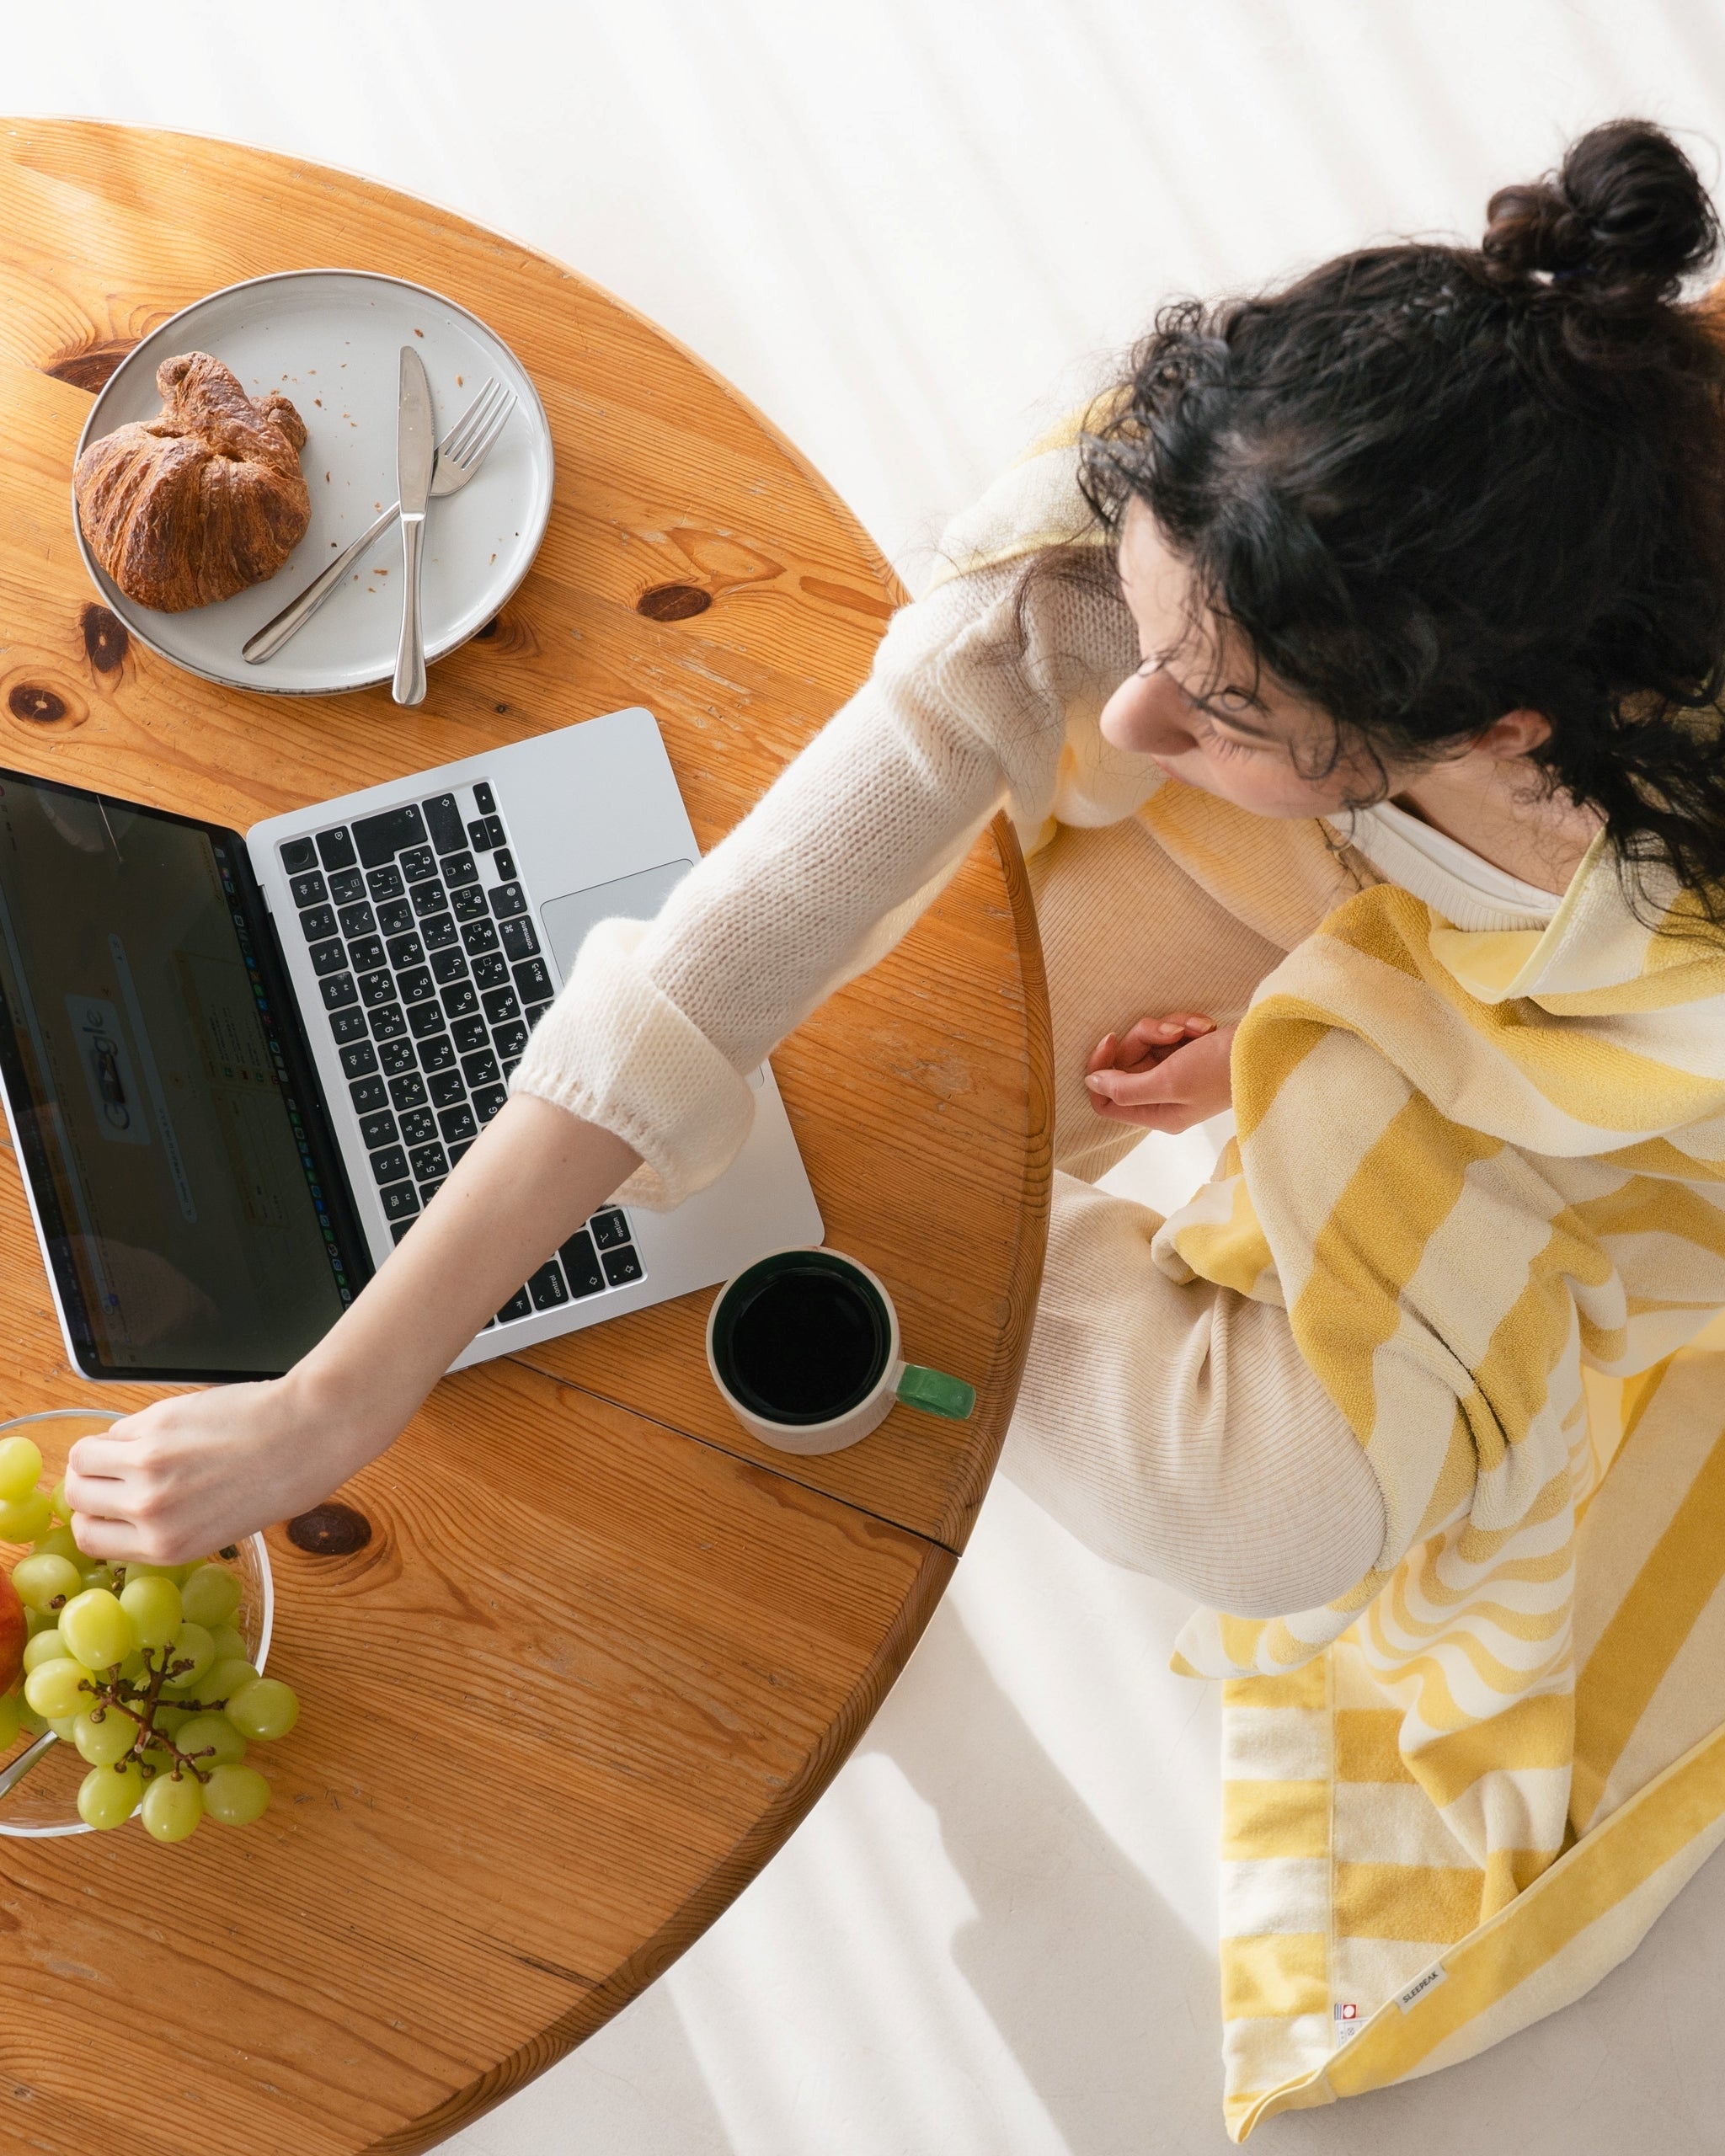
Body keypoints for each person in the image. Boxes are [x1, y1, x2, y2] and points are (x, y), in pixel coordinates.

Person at [65, 120, 1725, 1631]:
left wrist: (1333, 1044)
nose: (1131, 718)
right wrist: (336, 1395)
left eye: (1219, 715)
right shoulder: (1156, 525)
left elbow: (1629, 1076)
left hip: (1485, 1010)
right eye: (1145, 633)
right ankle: (845, 1181)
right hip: (1261, 878)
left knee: (1278, 1521)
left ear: (1490, 731)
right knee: (797, 1043)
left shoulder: (1659, 872)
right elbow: (723, 947)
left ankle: (867, 1201)